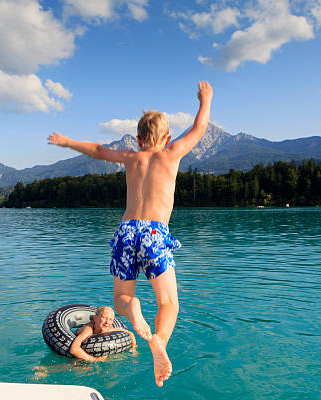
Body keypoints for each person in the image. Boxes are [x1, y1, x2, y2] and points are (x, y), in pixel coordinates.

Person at [48, 81, 213, 387]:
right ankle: (159, 342)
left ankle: (133, 308)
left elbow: (98, 150)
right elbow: (200, 127)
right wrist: (205, 99)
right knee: (169, 304)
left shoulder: (130, 158)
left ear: (138, 140)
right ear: (166, 138)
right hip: (154, 233)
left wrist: (68, 141)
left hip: (126, 231)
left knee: (123, 298)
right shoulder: (172, 153)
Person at [69, 306, 137, 362]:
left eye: (110, 319)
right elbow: (74, 349)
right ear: (95, 318)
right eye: (104, 318)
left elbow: (130, 333)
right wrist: (94, 359)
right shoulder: (88, 330)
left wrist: (134, 347)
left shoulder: (108, 330)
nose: (107, 322)